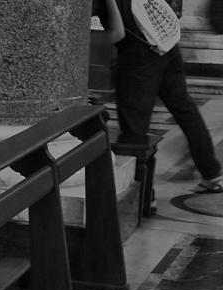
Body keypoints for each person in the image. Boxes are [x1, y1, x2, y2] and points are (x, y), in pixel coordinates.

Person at [94, 0, 223, 195]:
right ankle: (212, 174)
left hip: (138, 55)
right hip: (165, 42)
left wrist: (80, 41)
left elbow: (117, 33)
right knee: (185, 110)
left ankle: (145, 196)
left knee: (134, 129)